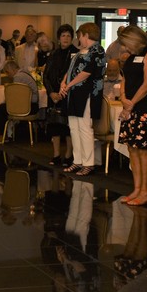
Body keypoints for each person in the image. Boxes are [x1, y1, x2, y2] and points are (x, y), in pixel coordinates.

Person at [117, 25, 147, 205]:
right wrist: (123, 98)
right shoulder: (132, 56)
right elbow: (124, 78)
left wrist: (131, 103)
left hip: (143, 107)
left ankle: (146, 190)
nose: (124, 48)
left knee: (143, 149)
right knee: (132, 148)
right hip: (130, 106)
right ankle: (136, 188)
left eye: (126, 44)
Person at [59, 22, 106, 176]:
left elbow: (86, 72)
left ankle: (88, 163)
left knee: (85, 128)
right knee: (74, 128)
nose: (78, 39)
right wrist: (63, 82)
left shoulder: (97, 50)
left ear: (85, 35)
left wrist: (68, 85)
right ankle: (77, 160)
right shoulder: (81, 51)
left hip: (87, 94)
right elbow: (70, 69)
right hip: (74, 94)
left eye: (79, 36)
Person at [44, 24, 78, 167]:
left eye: (68, 36)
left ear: (72, 38)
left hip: (69, 95)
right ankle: (56, 155)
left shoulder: (76, 53)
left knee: (68, 128)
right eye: (63, 35)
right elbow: (45, 76)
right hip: (53, 95)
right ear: (59, 38)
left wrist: (63, 91)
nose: (66, 38)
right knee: (54, 126)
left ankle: (69, 155)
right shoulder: (53, 54)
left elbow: (76, 76)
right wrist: (51, 92)